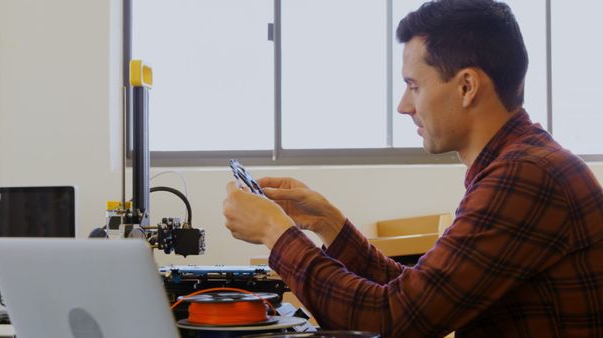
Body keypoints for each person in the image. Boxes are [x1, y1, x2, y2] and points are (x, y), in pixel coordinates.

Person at [223, 0, 603, 337]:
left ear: (467, 86)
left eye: (414, 86)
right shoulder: (520, 164)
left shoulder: (526, 176)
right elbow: (420, 296)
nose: (403, 106)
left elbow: (396, 320)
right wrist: (329, 223)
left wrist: (276, 233)